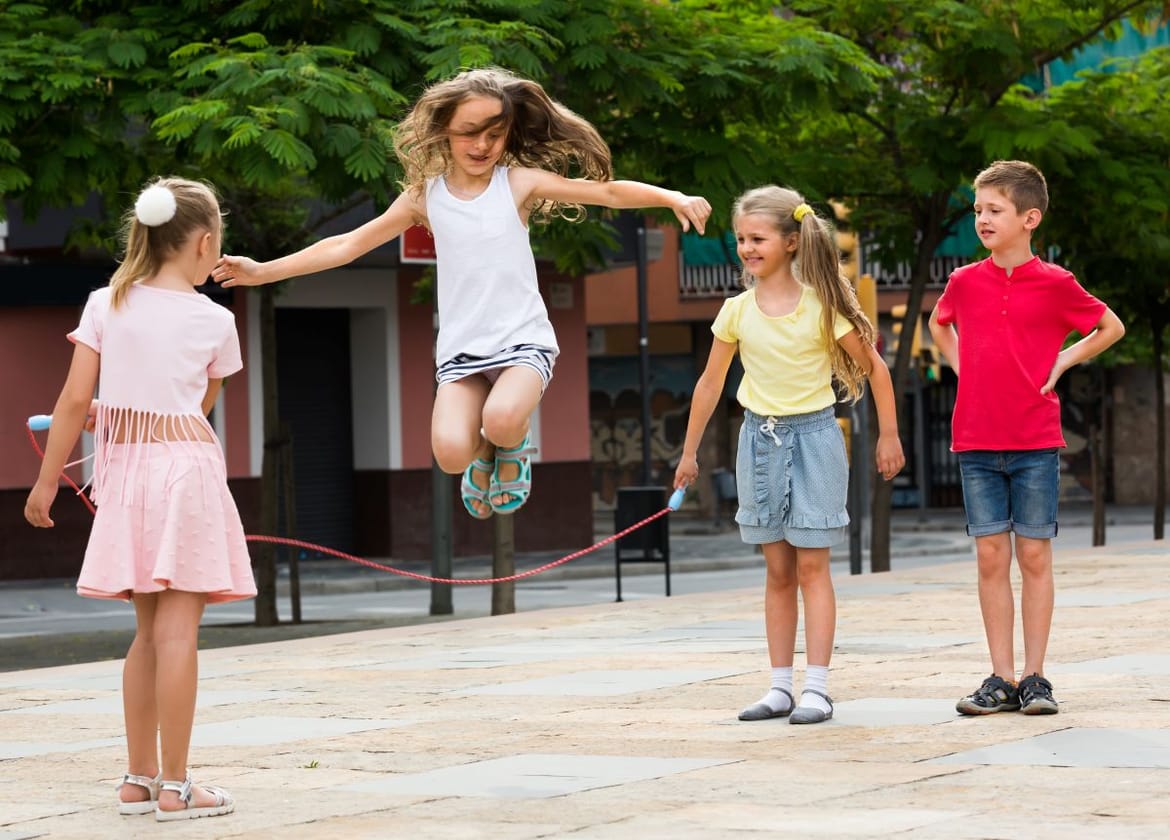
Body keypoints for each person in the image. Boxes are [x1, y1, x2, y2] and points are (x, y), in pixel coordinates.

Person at [211, 67, 711, 520]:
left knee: (500, 418)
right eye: (470, 133)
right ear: (443, 130)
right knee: (451, 455)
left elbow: (606, 193)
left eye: (495, 134)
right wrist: (262, 271)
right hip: (462, 351)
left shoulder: (516, 183)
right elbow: (347, 243)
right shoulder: (423, 197)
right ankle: (489, 449)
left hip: (522, 342)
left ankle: (510, 443)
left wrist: (671, 197)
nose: (482, 145)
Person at [25, 177, 252, 820]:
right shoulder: (216, 319)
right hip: (186, 472)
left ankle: (137, 780)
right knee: (180, 631)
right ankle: (179, 789)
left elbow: (74, 401)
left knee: (148, 632)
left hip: (124, 475)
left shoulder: (106, 303)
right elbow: (195, 409)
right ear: (206, 244)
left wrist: (47, 482)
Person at [674, 185, 904, 724]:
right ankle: (779, 687)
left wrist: (888, 435)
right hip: (757, 442)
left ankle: (817, 688)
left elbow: (877, 370)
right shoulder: (735, 311)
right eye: (741, 239)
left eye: (758, 238)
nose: (747, 248)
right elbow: (710, 386)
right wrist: (688, 454)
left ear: (792, 242)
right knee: (777, 569)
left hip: (816, 439)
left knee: (811, 567)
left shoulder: (824, 307)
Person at [929, 160, 1125, 716]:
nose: (982, 220)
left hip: (1037, 440)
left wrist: (1063, 359)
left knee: (1034, 556)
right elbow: (938, 323)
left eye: (994, 210)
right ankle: (1000, 677)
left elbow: (1110, 327)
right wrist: (962, 368)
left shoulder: (1057, 283)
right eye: (978, 211)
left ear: (1029, 217)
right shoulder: (963, 282)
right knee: (991, 557)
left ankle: (1037, 678)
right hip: (975, 441)